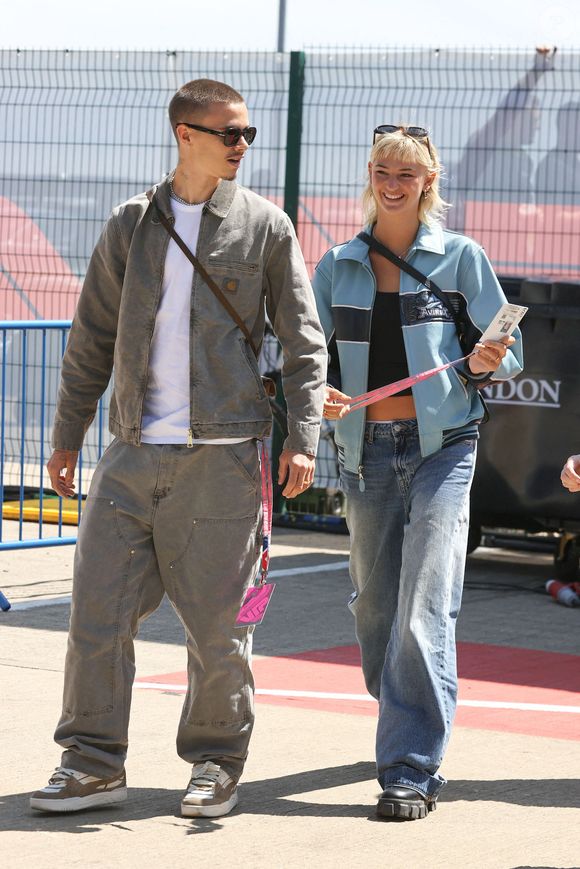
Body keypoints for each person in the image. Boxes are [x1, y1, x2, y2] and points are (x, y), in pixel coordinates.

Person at [30, 78, 326, 818]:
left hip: (224, 459)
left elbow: (304, 345)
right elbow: (91, 337)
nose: (242, 147)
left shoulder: (265, 227)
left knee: (219, 628)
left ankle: (218, 761)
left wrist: (305, 438)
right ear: (184, 134)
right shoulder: (131, 223)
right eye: (230, 133)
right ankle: (93, 761)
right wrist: (68, 436)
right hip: (129, 454)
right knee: (96, 612)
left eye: (249, 134)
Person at [311, 126, 523, 820]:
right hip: (363, 451)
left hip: (444, 448)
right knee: (376, 609)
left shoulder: (460, 257)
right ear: (369, 175)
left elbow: (507, 350)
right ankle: (398, 706)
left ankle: (409, 764)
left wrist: (492, 360)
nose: (393, 182)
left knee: (422, 608)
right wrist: (321, 393)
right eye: (382, 169)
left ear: (429, 181)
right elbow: (307, 362)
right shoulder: (338, 265)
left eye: (408, 172)